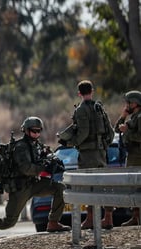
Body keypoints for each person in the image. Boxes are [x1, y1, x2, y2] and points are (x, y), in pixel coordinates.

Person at [0, 117, 71, 232]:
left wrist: (53, 161)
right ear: (26, 130)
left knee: (60, 188)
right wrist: (44, 167)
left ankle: (53, 222)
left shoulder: (37, 145)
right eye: (33, 131)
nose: (36, 134)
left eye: (38, 131)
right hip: (21, 188)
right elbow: (26, 168)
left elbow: (45, 157)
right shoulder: (21, 147)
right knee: (8, 223)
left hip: (34, 183)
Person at [59, 80, 116, 229]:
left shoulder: (81, 110)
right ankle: (108, 217)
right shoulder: (100, 108)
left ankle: (90, 218)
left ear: (79, 93)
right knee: (104, 185)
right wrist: (104, 145)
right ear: (92, 91)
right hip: (101, 153)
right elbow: (110, 132)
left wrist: (71, 143)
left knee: (89, 186)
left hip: (87, 154)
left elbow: (83, 133)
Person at [114, 90, 141, 226]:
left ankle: (137, 216)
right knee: (133, 185)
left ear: (135, 103)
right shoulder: (134, 117)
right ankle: (136, 216)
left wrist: (128, 131)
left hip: (138, 156)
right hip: (132, 155)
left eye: (128, 103)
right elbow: (116, 129)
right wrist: (123, 116)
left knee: (136, 185)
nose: (126, 105)